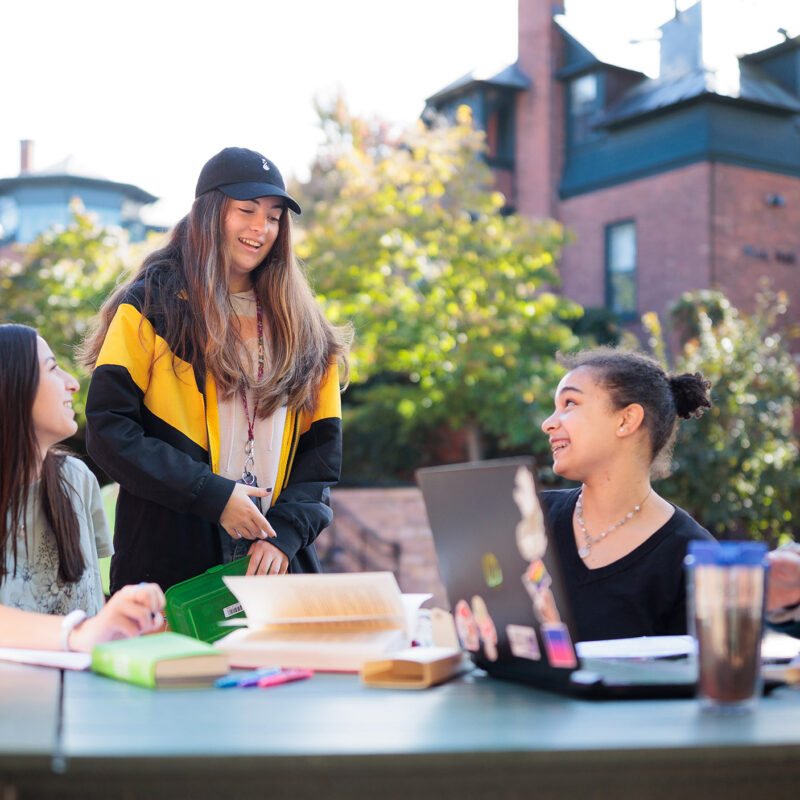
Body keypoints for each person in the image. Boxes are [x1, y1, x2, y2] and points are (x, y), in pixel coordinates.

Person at [81, 147, 350, 593]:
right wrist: (214, 496)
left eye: (274, 216)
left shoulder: (306, 326)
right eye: (246, 210)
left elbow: (321, 460)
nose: (260, 228)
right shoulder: (150, 306)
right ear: (208, 213)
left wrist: (285, 534)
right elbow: (108, 430)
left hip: (274, 561)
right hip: (171, 558)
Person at [0, 324, 164, 652]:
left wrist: (126, 621)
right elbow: (85, 630)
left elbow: (92, 602)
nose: (72, 383)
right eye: (51, 369)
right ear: (11, 387)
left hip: (88, 693)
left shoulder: (77, 479)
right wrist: (77, 635)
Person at [539, 348, 716, 641]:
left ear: (626, 420)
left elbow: (698, 679)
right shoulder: (532, 518)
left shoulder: (692, 554)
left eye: (569, 403)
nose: (548, 423)